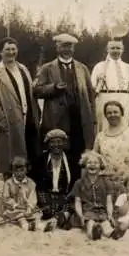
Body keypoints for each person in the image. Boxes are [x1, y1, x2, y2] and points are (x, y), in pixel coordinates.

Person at [33, 33, 96, 185]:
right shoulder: (47, 68)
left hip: (79, 118)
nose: (67, 49)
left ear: (74, 48)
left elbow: (90, 93)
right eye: (63, 46)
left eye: (70, 46)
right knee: (58, 150)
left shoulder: (82, 68)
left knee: (78, 152)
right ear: (57, 47)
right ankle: (56, 187)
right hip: (57, 118)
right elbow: (37, 91)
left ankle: (75, 188)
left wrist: (92, 117)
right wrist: (53, 88)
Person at [0, 37, 41, 180]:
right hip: (9, 116)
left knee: (28, 149)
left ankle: (27, 185)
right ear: (0, 52)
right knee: (10, 152)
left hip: (27, 113)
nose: (11, 52)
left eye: (13, 49)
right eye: (7, 49)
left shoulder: (23, 68)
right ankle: (10, 186)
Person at [72, 151, 125, 240]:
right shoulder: (79, 183)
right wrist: (81, 215)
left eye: (96, 163)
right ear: (84, 165)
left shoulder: (106, 182)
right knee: (90, 223)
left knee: (106, 224)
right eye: (89, 162)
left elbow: (109, 201)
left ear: (101, 166)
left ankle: (111, 233)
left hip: (102, 212)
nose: (92, 165)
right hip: (87, 212)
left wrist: (110, 215)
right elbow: (77, 202)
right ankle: (93, 232)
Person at [93, 101, 129, 185]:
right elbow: (94, 158)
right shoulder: (100, 136)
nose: (112, 115)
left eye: (115, 112)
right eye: (109, 113)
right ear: (105, 115)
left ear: (122, 113)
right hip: (106, 184)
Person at [91, 38, 129, 132]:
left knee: (123, 125)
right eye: (112, 48)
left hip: (124, 98)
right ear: (107, 50)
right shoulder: (99, 66)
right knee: (105, 126)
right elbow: (92, 87)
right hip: (105, 97)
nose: (115, 51)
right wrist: (98, 79)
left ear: (122, 50)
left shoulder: (128, 67)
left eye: (118, 48)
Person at [1, 156, 55, 232]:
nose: (19, 173)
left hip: (27, 208)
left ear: (27, 170)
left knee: (36, 216)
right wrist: (15, 205)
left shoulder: (31, 183)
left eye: (22, 170)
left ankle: (40, 226)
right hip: (14, 209)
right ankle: (26, 225)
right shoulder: (8, 183)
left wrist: (29, 208)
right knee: (20, 217)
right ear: (12, 171)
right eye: (16, 171)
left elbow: (32, 198)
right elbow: (5, 198)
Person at [36, 129, 75, 230]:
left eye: (59, 141)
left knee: (72, 206)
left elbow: (75, 182)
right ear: (48, 144)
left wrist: (68, 197)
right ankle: (60, 219)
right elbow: (39, 183)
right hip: (47, 195)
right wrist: (44, 201)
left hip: (65, 195)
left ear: (64, 143)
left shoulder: (71, 160)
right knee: (47, 210)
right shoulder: (41, 160)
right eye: (52, 142)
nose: (56, 145)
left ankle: (55, 221)